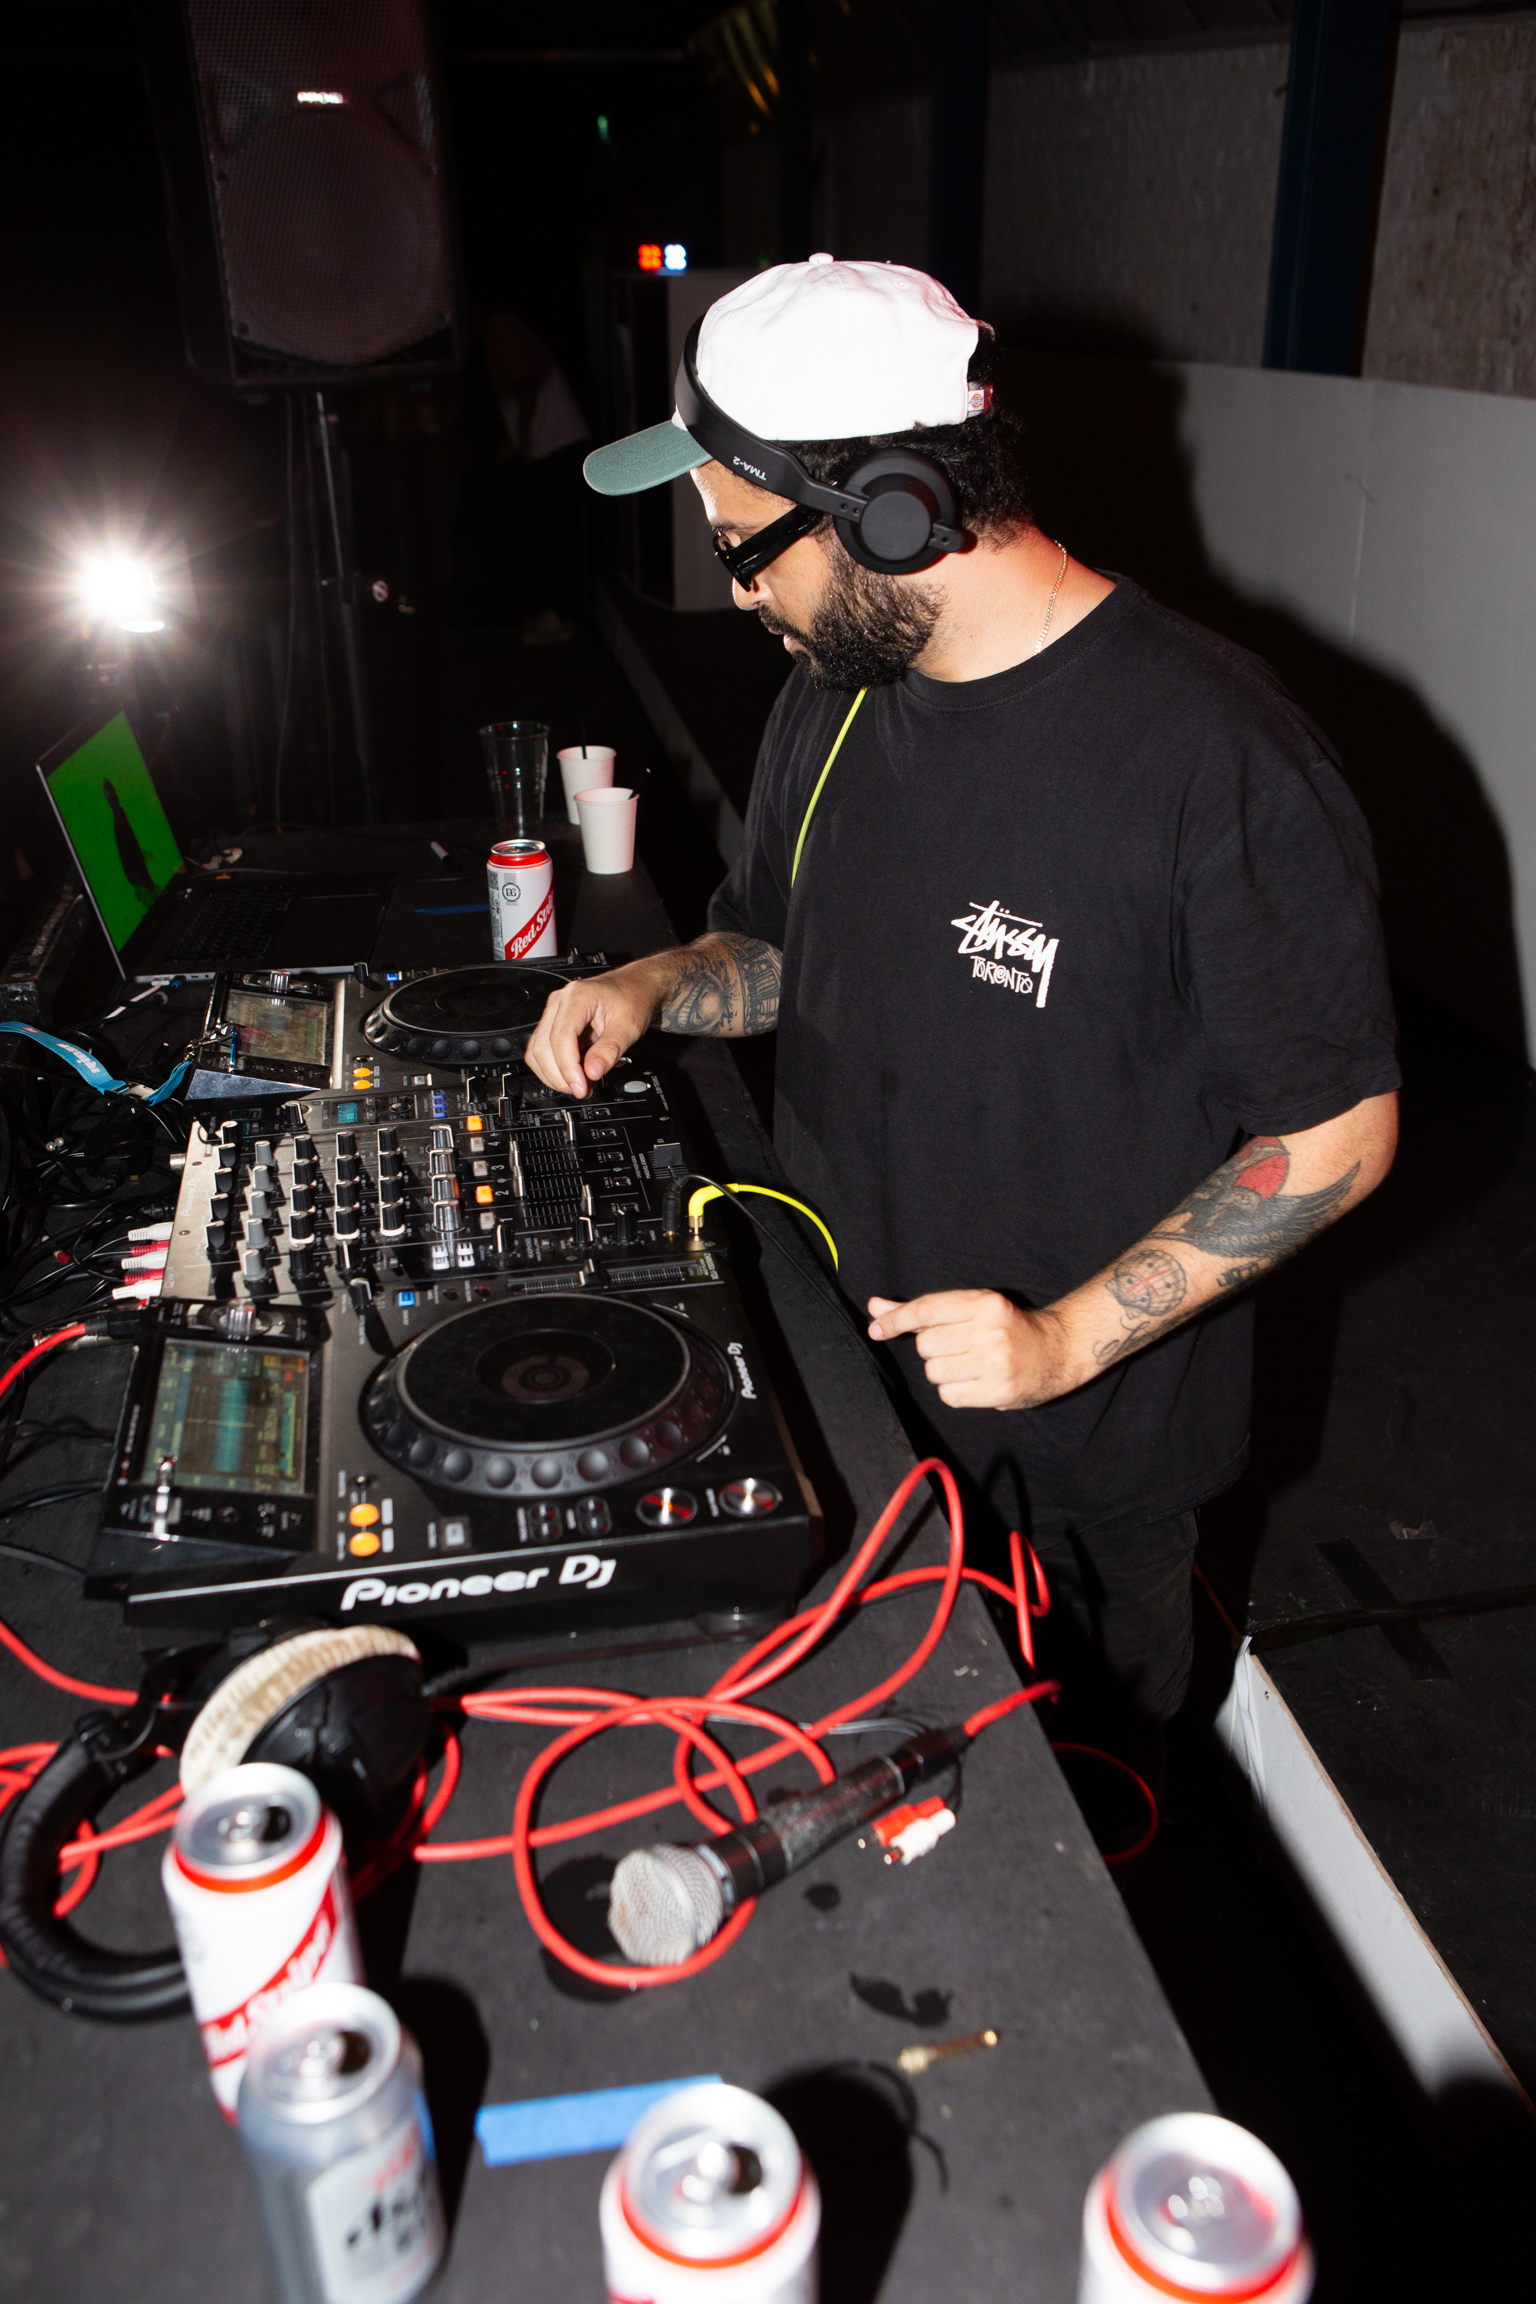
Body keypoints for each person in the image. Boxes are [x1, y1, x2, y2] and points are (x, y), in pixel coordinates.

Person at [525, 255, 1400, 1727]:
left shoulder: (1215, 762)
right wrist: (662, 982)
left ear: (892, 510)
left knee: (1084, 1878)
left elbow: (1337, 1133)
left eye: (749, 549)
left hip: (1074, 1481)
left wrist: (1058, 1337)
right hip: (849, 1409)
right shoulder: (835, 688)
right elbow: (781, 953)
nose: (739, 593)